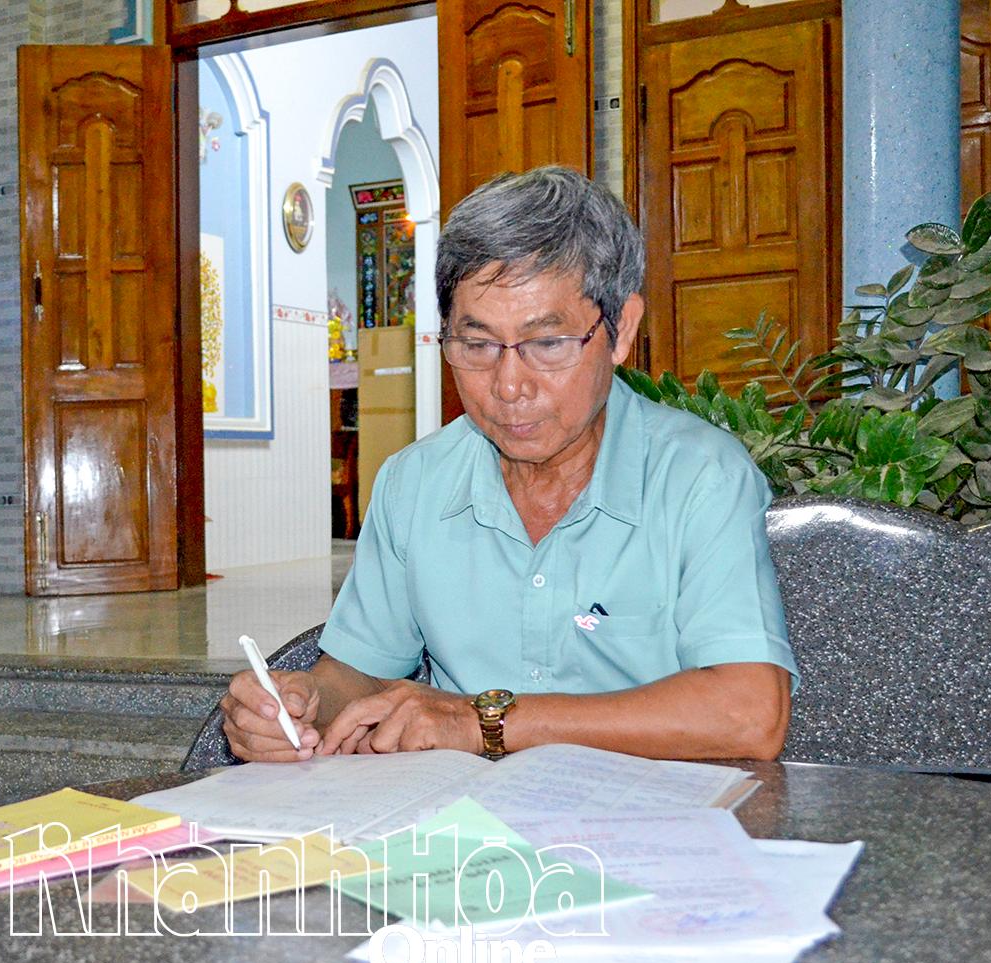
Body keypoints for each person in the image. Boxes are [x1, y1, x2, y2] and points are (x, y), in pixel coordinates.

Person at [223, 166, 798, 764]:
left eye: (547, 343)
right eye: (476, 345)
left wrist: (483, 721)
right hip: (457, 812)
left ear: (621, 329)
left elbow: (748, 714)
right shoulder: (414, 483)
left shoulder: (700, 477)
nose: (508, 385)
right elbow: (359, 672)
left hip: (648, 810)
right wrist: (301, 706)